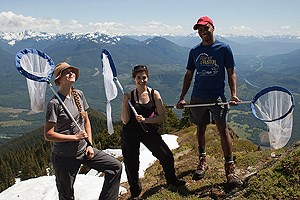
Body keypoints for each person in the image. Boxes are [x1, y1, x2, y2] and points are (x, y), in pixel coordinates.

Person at [176, 16, 243, 189]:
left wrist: (234, 94)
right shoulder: (194, 51)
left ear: (213, 27)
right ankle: (202, 161)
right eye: (199, 29)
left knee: (223, 129)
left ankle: (230, 170)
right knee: (200, 128)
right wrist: (182, 97)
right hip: (198, 96)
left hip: (216, 97)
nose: (202, 32)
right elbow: (189, 75)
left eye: (205, 28)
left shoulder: (224, 48)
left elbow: (231, 73)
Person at [44, 62, 122, 200]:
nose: (71, 73)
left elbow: (86, 121)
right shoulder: (54, 103)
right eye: (66, 72)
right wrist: (75, 137)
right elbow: (48, 134)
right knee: (66, 195)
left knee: (115, 167)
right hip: (64, 156)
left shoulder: (78, 94)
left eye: (72, 71)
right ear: (59, 79)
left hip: (84, 150)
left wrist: (90, 145)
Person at [121, 65, 186, 199]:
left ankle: (171, 180)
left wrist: (145, 120)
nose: (141, 80)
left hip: (148, 130)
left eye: (144, 77)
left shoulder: (154, 94)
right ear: (134, 79)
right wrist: (124, 103)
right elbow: (125, 120)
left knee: (166, 155)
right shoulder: (130, 96)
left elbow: (161, 117)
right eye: (138, 78)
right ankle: (135, 192)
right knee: (131, 163)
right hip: (130, 132)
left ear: (147, 78)